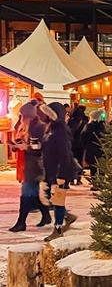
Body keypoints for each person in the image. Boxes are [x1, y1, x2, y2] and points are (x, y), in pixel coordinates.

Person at [9, 100, 51, 232]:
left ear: (28, 115)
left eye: (22, 115)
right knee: (32, 194)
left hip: (37, 166)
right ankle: (46, 215)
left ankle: (21, 223)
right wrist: (16, 146)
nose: (21, 118)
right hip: (30, 165)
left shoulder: (38, 127)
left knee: (27, 193)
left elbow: (38, 148)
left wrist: (24, 147)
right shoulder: (28, 127)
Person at [40, 103, 79, 241]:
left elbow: (64, 154)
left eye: (48, 113)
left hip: (61, 172)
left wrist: (61, 176)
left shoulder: (60, 129)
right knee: (54, 200)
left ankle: (58, 229)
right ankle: (67, 217)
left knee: (58, 201)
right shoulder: (51, 128)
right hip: (52, 171)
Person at [81, 109, 106, 190]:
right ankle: (101, 183)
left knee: (93, 167)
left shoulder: (89, 126)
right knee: (102, 167)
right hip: (102, 149)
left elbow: (83, 137)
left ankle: (95, 184)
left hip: (92, 149)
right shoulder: (105, 126)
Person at [68, 105, 88, 185]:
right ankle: (78, 178)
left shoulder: (71, 121)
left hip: (72, 144)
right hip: (80, 145)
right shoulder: (84, 122)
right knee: (79, 161)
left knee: (72, 161)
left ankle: (71, 179)